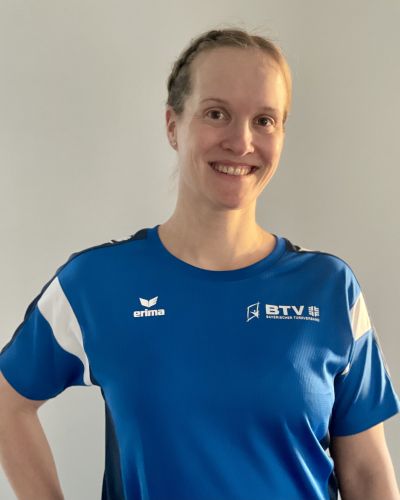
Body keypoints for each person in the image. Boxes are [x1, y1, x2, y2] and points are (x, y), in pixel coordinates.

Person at [0, 27, 399, 500]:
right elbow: (8, 404)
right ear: (173, 125)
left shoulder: (329, 290)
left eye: (264, 120)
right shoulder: (97, 284)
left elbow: (369, 475)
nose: (241, 141)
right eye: (216, 114)